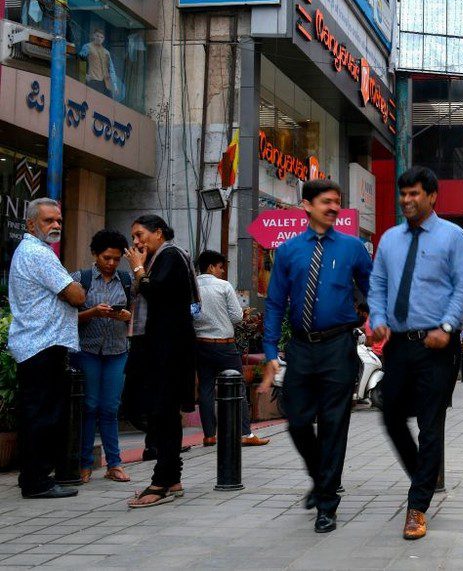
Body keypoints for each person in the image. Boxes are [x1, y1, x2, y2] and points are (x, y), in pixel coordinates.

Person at [257, 179, 372, 534]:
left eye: (338, 202)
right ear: (306, 205)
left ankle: (326, 504)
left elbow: (372, 290)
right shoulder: (289, 251)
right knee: (297, 417)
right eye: (326, 202)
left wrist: (377, 320)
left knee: (335, 424)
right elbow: (275, 303)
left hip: (338, 345)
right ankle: (319, 474)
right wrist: (270, 349)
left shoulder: (353, 248)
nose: (334, 208)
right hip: (301, 348)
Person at [369, 166, 463, 540]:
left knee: (431, 425)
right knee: (391, 415)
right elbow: (378, 283)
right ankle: (424, 474)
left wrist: (447, 328)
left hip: (436, 346)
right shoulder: (389, 240)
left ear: (432, 196)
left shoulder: (454, 237)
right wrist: (378, 318)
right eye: (403, 194)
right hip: (398, 344)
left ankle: (417, 507)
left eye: (414, 194)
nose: (407, 201)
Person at [7, 198, 86, 499]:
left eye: (59, 221)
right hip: (42, 345)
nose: (55, 226)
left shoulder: (33, 252)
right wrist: (76, 290)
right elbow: (76, 295)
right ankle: (37, 481)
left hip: (39, 344)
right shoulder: (38, 254)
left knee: (38, 414)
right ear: (30, 224)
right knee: (43, 416)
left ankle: (33, 475)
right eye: (48, 221)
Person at [123, 215, 199, 508]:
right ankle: (171, 476)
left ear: (158, 232)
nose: (137, 243)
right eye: (133, 237)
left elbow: (156, 292)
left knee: (161, 413)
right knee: (158, 413)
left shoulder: (170, 256)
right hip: (158, 348)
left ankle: (162, 481)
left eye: (140, 235)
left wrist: (138, 269)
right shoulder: (161, 258)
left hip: (168, 349)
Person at [72, 229, 133, 484]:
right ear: (95, 254)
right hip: (87, 350)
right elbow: (66, 318)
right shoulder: (80, 279)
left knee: (110, 408)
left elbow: (137, 314)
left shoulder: (127, 281)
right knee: (89, 406)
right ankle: (84, 463)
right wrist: (93, 313)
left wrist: (127, 316)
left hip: (117, 351)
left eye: (116, 258)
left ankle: (114, 463)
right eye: (106, 257)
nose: (111, 263)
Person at [194, 250, 269, 448]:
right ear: (211, 267)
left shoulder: (190, 286)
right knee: (238, 387)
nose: (222, 271)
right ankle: (245, 433)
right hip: (224, 344)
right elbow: (236, 317)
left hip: (200, 344)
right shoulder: (224, 286)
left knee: (206, 389)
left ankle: (209, 435)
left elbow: (190, 315)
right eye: (220, 267)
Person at [79, 28, 114, 97]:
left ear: (103, 39)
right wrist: (83, 77)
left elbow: (110, 68)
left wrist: (112, 84)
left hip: (103, 82)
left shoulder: (106, 52)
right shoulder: (87, 47)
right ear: (93, 36)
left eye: (101, 37)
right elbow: (81, 60)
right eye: (97, 36)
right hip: (92, 80)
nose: (99, 38)